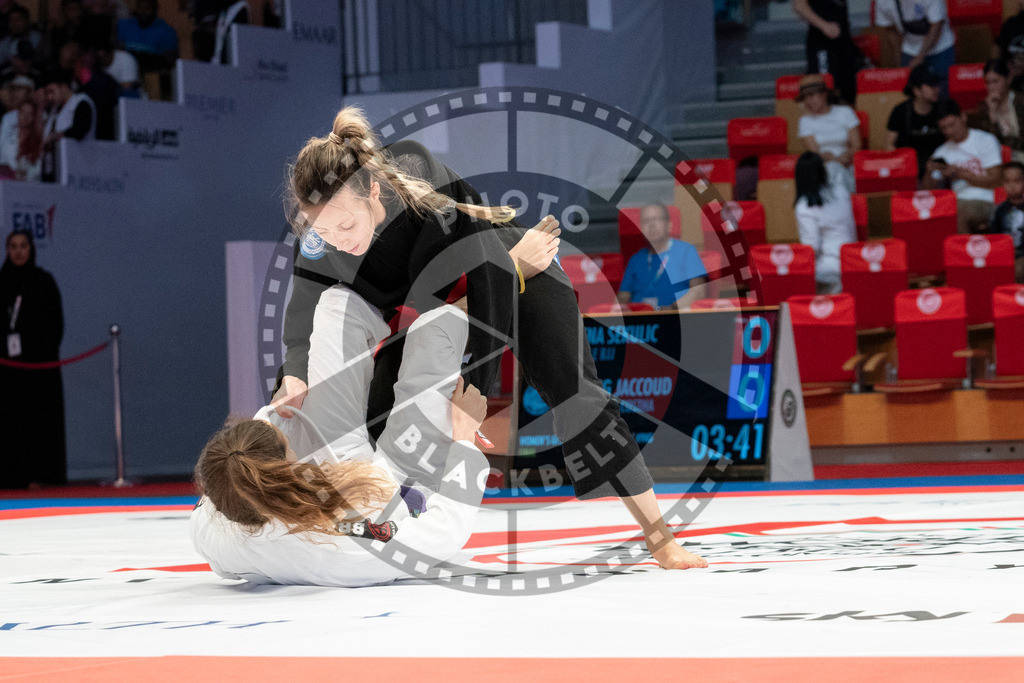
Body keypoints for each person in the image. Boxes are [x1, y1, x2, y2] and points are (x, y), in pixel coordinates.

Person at [275, 107, 708, 570]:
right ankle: (393, 524)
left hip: (516, 271)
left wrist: (474, 393)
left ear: (374, 193)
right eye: (322, 231)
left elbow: (486, 288)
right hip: (442, 304)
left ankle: (661, 537)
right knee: (379, 411)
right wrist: (294, 376)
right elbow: (304, 313)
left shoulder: (419, 179)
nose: (338, 241)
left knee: (576, 394)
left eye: (346, 226)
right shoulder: (321, 237)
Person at [191, 290, 496, 587]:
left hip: (333, 467)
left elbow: (235, 467)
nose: (292, 443)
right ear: (284, 473)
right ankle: (504, 281)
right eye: (288, 448)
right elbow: (444, 533)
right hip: (393, 488)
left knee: (338, 305)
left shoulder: (213, 520)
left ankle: (409, 278)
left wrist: (291, 385)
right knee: (437, 329)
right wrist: (463, 439)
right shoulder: (337, 548)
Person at [0, 230, 66, 489]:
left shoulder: (43, 282)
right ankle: (10, 476)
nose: (18, 251)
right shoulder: (1, 282)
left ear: (31, 249)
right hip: (7, 371)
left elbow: (56, 325)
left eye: (23, 246)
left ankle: (40, 475)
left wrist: (41, 355)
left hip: (39, 371)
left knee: (39, 423)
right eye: (13, 246)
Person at [924, 99, 1003, 234]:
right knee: (931, 212)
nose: (949, 131)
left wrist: (962, 175)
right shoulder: (941, 152)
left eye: (952, 125)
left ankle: (962, 253)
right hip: (955, 201)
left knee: (958, 211)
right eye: (944, 128)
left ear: (963, 117)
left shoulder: (985, 140)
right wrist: (930, 172)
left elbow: (997, 180)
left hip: (984, 200)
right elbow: (927, 192)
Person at [616, 203, 708, 310]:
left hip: (678, 318)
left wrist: (671, 309)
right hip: (640, 321)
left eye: (657, 219)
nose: (651, 224)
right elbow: (623, 296)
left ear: (669, 225)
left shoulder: (686, 251)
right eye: (646, 221)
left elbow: (699, 291)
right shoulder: (636, 259)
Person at [794, 152, 857, 294]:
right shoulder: (841, 191)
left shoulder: (804, 205)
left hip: (827, 268)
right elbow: (851, 229)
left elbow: (811, 247)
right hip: (852, 261)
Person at [796, 74, 860, 193]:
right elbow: (814, 152)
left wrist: (847, 156)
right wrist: (833, 159)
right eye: (805, 98)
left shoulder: (845, 112)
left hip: (849, 161)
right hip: (824, 165)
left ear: (823, 95)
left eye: (811, 96)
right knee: (833, 169)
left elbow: (856, 145)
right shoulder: (805, 121)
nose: (808, 101)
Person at [791, 0, 863, 104]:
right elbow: (799, 5)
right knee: (824, 88)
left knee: (849, 89)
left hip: (843, 39)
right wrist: (823, 25)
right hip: (821, 41)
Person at [874, 0, 956, 86]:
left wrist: (920, 57)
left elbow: (936, 27)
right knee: (911, 90)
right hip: (909, 48)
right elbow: (890, 30)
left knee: (940, 90)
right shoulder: (882, 2)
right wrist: (898, 59)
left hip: (940, 47)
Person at [886, 63, 945, 179]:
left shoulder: (943, 109)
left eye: (937, 84)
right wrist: (905, 163)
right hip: (907, 169)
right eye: (931, 85)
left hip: (938, 168)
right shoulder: (900, 111)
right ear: (917, 90)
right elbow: (888, 145)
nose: (936, 89)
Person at [968, 59, 1024, 163]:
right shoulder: (983, 108)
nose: (991, 87)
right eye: (988, 83)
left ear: (1008, 79)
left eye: (996, 81)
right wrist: (992, 114)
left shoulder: (1021, 101)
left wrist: (1005, 142)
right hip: (998, 161)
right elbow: (988, 145)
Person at [989, 161, 1024, 282]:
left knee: (1018, 269)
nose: (1012, 186)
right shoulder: (1000, 210)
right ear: (1002, 184)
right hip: (1004, 255)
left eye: (1017, 181)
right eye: (1008, 182)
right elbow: (994, 237)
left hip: (1022, 257)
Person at [0, 74, 33, 167]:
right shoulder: (8, 116)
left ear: (28, 91)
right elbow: (2, 143)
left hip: (28, 166)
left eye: (20, 89)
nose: (16, 93)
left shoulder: (37, 114)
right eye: (14, 89)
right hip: (6, 166)